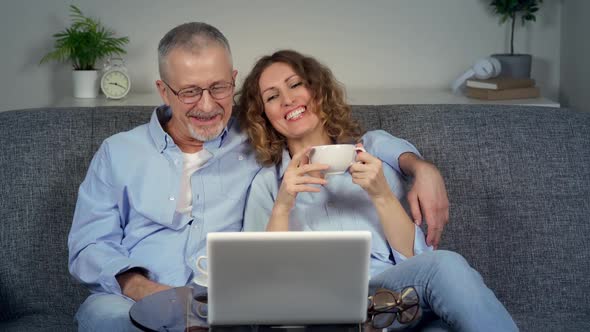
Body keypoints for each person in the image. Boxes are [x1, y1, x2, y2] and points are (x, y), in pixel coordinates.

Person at [68, 23, 450, 331]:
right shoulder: (118, 152)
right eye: (189, 92)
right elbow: (88, 246)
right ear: (163, 92)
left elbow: (353, 142)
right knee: (102, 315)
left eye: (219, 87)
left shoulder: (257, 137)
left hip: (229, 307)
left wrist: (419, 167)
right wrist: (144, 289)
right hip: (138, 300)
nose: (207, 105)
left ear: (233, 80)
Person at [238, 50, 518, 331]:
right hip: (329, 308)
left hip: (396, 299)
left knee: (443, 287)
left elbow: (418, 262)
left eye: (295, 84)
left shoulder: (373, 151)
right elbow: (265, 287)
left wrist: (381, 194)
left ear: (317, 90)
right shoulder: (269, 183)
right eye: (272, 96)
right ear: (264, 116)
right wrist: (283, 206)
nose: (287, 99)